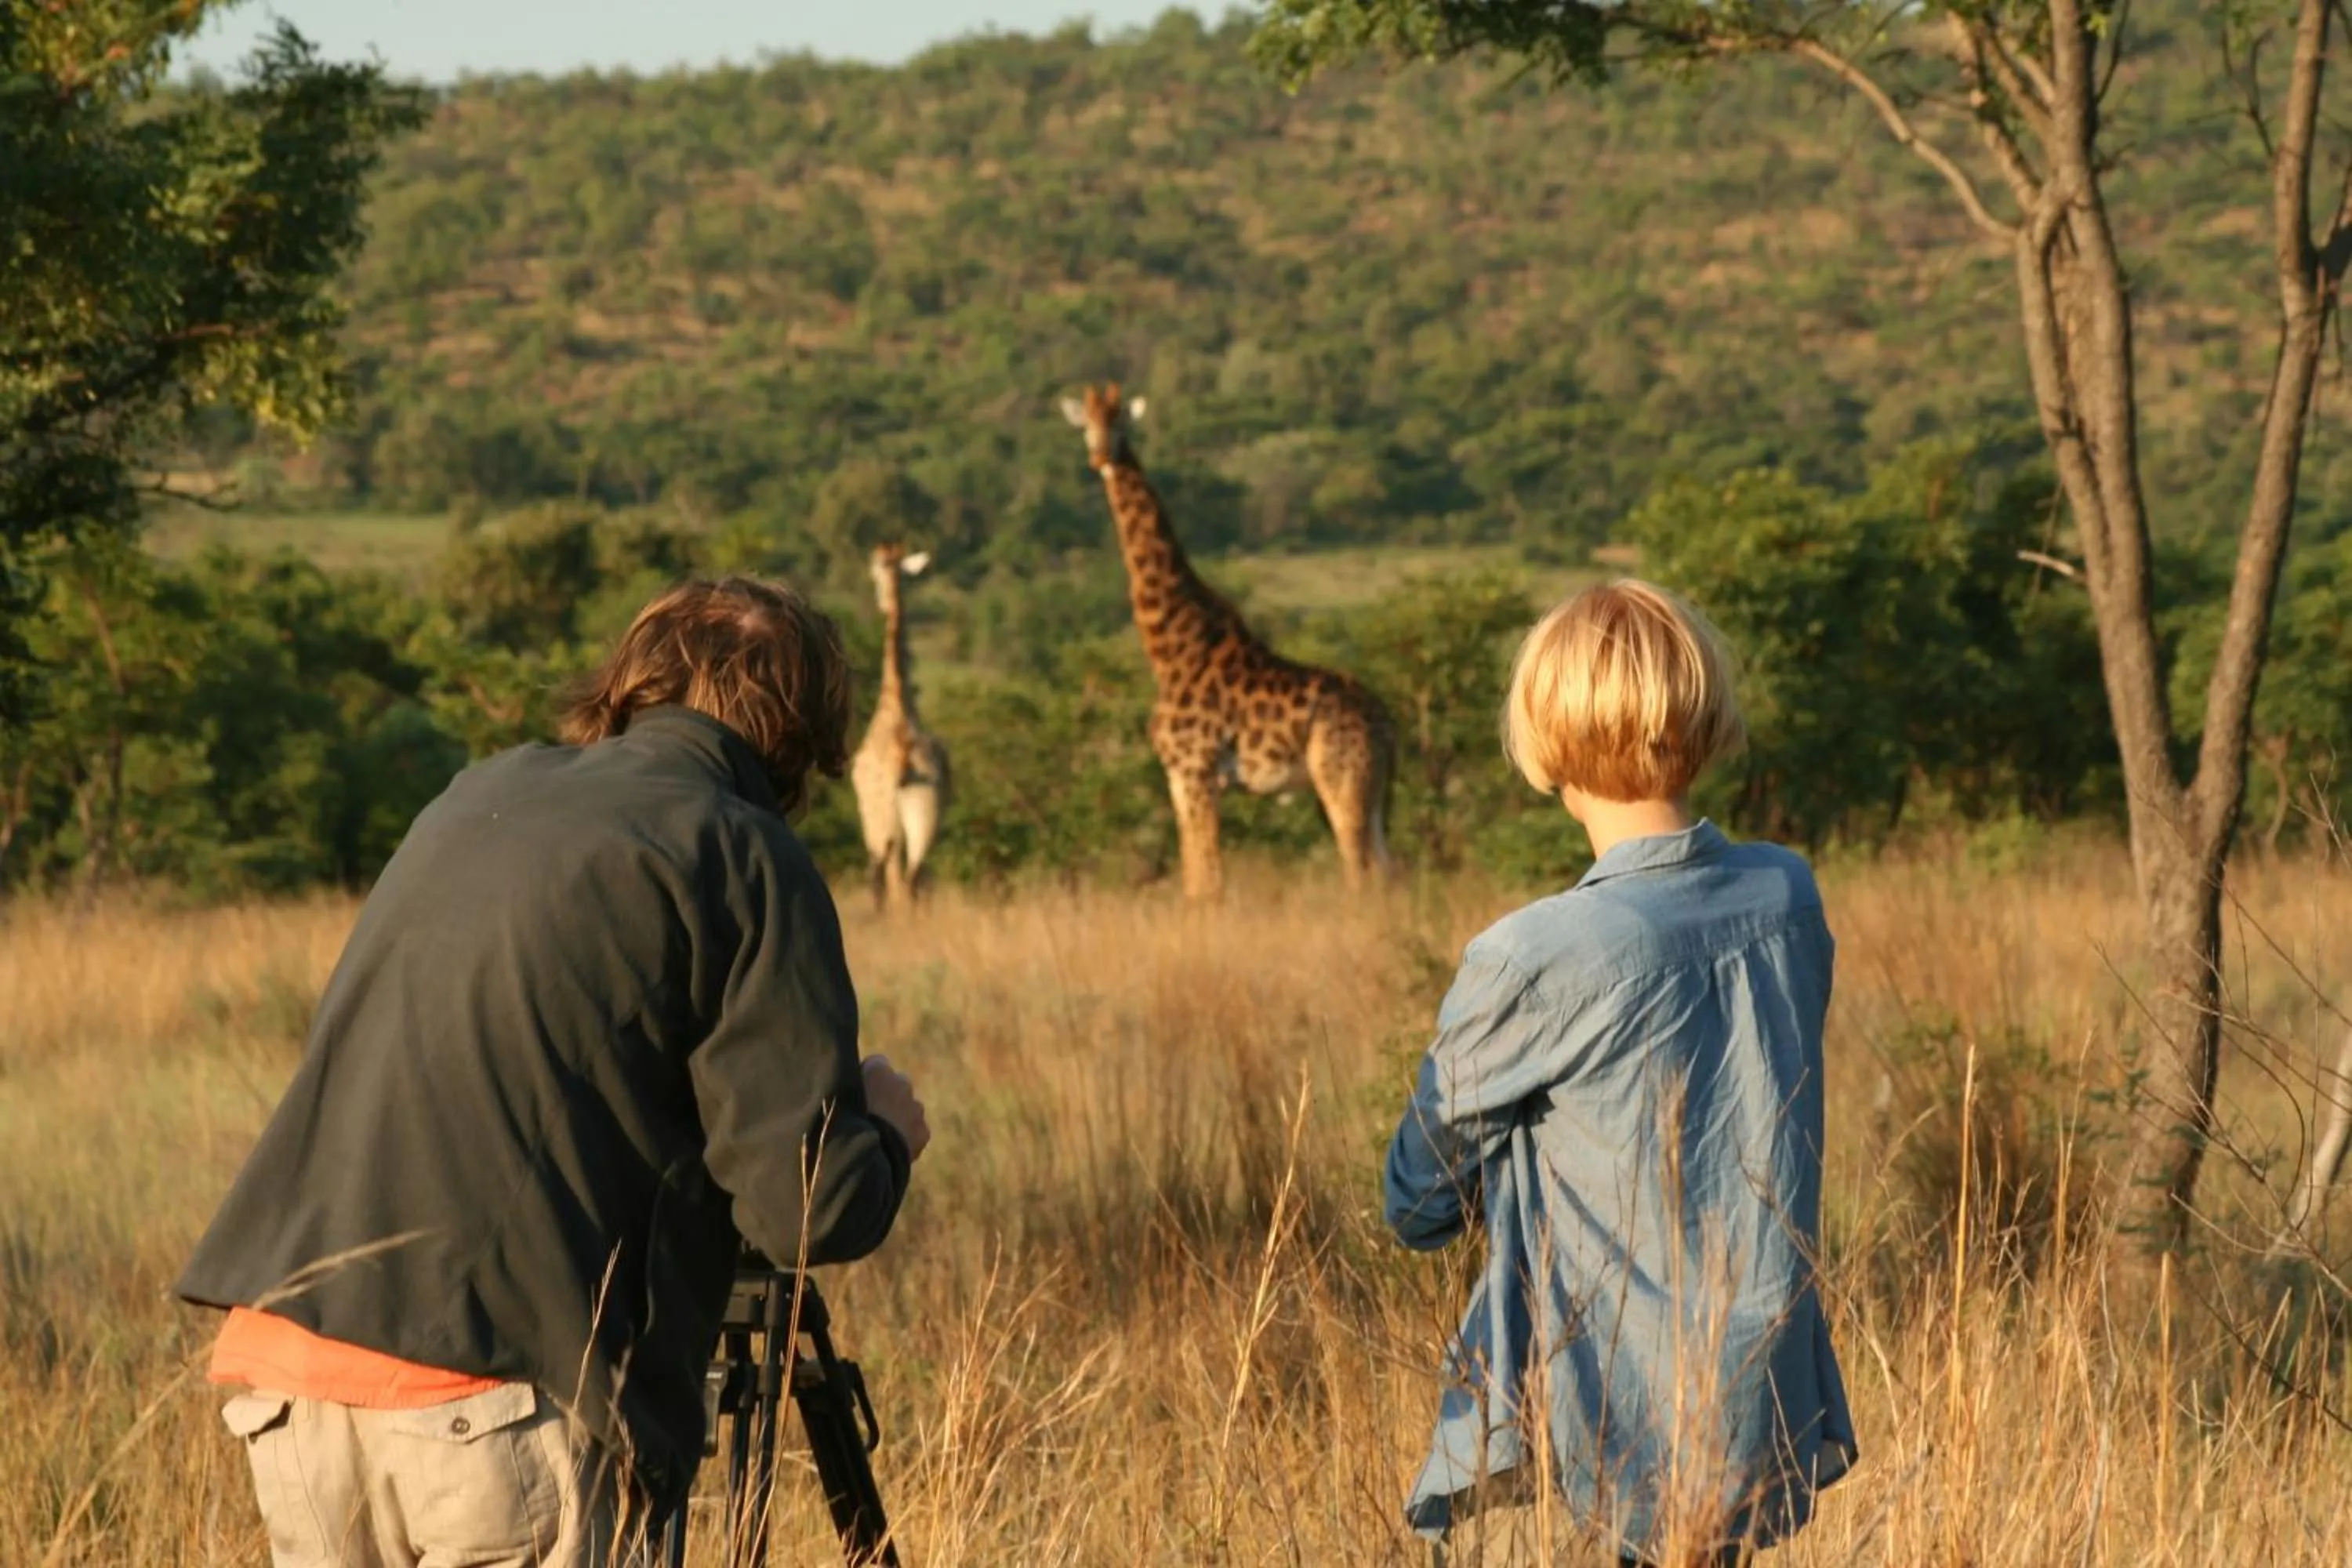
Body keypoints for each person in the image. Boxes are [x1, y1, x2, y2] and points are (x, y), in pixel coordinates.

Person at [179, 576, 931, 1568]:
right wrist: (880, 1132)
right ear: (798, 742)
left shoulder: (476, 791)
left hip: (294, 1381)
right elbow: (807, 1209)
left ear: (632, 684)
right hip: (501, 1405)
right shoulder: (744, 849)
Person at [1386, 580, 1856, 1568]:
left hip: (1617, 1400)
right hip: (1765, 1371)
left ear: (1547, 737)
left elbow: (1418, 1202)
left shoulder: (1531, 954)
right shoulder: (1789, 891)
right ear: (1705, 713)